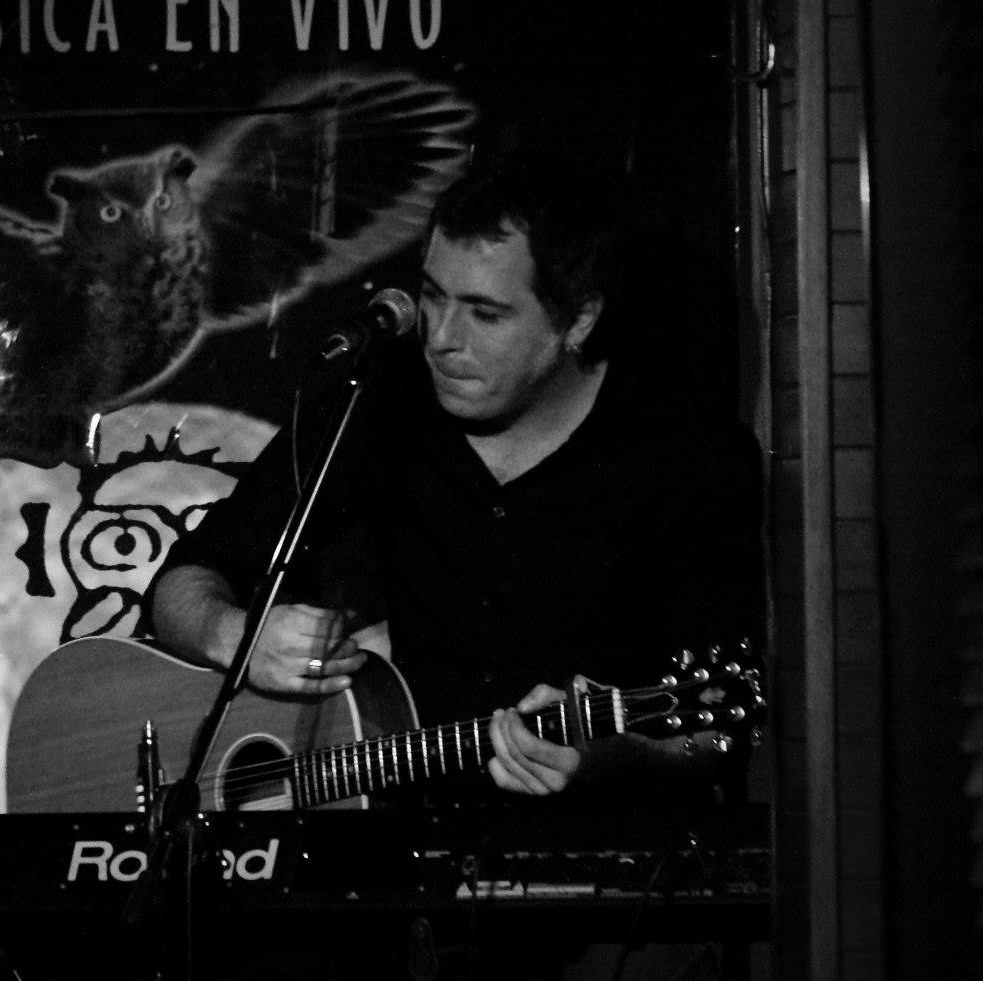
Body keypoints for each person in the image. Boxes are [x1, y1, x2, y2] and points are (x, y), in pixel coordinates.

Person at [151, 148, 766, 802]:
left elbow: (718, 729)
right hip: (405, 838)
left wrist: (614, 759)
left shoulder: (689, 456)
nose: (441, 338)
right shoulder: (378, 407)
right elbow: (181, 583)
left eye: (485, 313)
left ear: (578, 320)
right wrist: (236, 637)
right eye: (432, 296)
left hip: (602, 850)